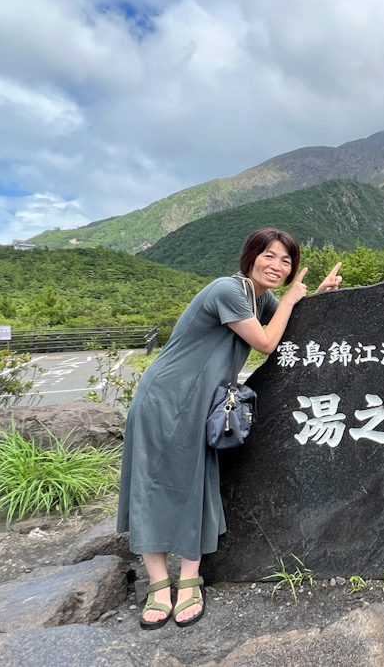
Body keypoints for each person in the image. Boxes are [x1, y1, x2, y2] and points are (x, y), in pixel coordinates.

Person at [117, 228, 342, 630]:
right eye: (269, 256)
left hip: (203, 404)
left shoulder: (260, 297)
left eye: (286, 261)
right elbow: (267, 343)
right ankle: (157, 582)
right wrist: (292, 298)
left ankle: (189, 580)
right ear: (251, 256)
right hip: (165, 397)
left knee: (198, 484)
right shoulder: (229, 290)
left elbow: (288, 322)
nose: (277, 266)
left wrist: (320, 296)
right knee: (151, 484)